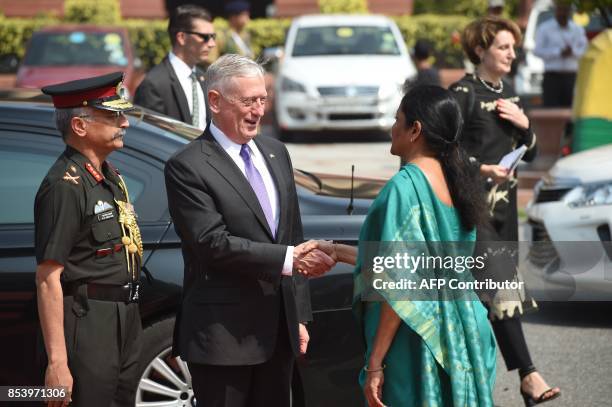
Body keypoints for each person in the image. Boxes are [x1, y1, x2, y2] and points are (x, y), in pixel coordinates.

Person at [305, 86, 497, 406]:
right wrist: (338, 252)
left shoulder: (403, 188)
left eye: (397, 120)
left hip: (422, 341)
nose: (392, 129)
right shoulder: (458, 181)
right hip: (466, 334)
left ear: (415, 130)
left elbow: (399, 286)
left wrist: (375, 364)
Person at [164, 54, 334, 407]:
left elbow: (292, 234)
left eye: (262, 99)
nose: (258, 111)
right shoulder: (188, 166)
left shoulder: (275, 152)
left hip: (277, 335)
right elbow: (211, 243)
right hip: (223, 339)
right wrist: (288, 259)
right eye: (247, 101)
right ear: (215, 101)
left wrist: (298, 317)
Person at [450, 16, 561, 405]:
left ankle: (471, 388)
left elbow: (530, 151)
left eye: (513, 47)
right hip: (473, 211)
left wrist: (525, 124)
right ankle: (529, 376)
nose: (512, 53)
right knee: (501, 292)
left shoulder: (511, 93)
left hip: (505, 212)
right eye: (503, 46)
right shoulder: (461, 93)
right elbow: (445, 151)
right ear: (480, 50)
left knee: (487, 302)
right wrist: (482, 168)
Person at [35, 72, 143, 406]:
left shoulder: (110, 176)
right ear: (80, 126)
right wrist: (57, 362)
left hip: (125, 316)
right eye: (113, 116)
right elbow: (48, 278)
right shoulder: (65, 185)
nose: (123, 123)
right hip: (90, 319)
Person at [134, 4, 215, 129]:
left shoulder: (203, 77)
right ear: (182, 37)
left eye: (213, 37)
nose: (212, 44)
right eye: (204, 37)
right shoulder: (154, 84)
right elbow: (150, 138)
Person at [534, 0, 588, 107]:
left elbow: (585, 50)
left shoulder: (577, 29)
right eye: (560, 10)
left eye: (565, 10)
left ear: (570, 12)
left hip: (571, 77)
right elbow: (537, 51)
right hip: (552, 77)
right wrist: (558, 52)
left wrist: (573, 52)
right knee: (551, 111)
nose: (562, 13)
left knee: (571, 111)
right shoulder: (545, 28)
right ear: (555, 11)